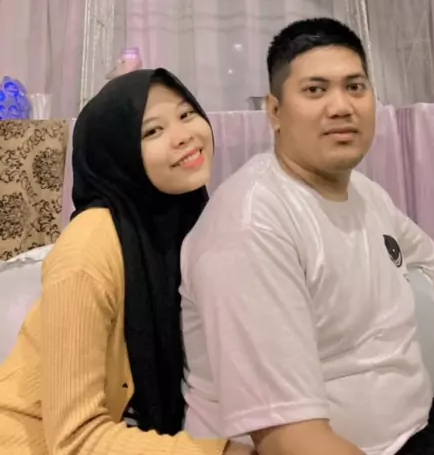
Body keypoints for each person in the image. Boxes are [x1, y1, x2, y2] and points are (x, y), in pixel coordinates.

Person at [180, 18, 434, 455]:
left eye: (355, 87)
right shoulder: (251, 226)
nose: (341, 106)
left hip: (419, 426)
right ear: (275, 111)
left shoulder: (367, 194)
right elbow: (288, 438)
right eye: (315, 90)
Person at [0, 68, 251, 455]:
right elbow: (75, 438)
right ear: (117, 154)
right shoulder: (87, 250)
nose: (183, 136)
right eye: (152, 131)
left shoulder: (193, 221)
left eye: (186, 115)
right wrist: (221, 452)